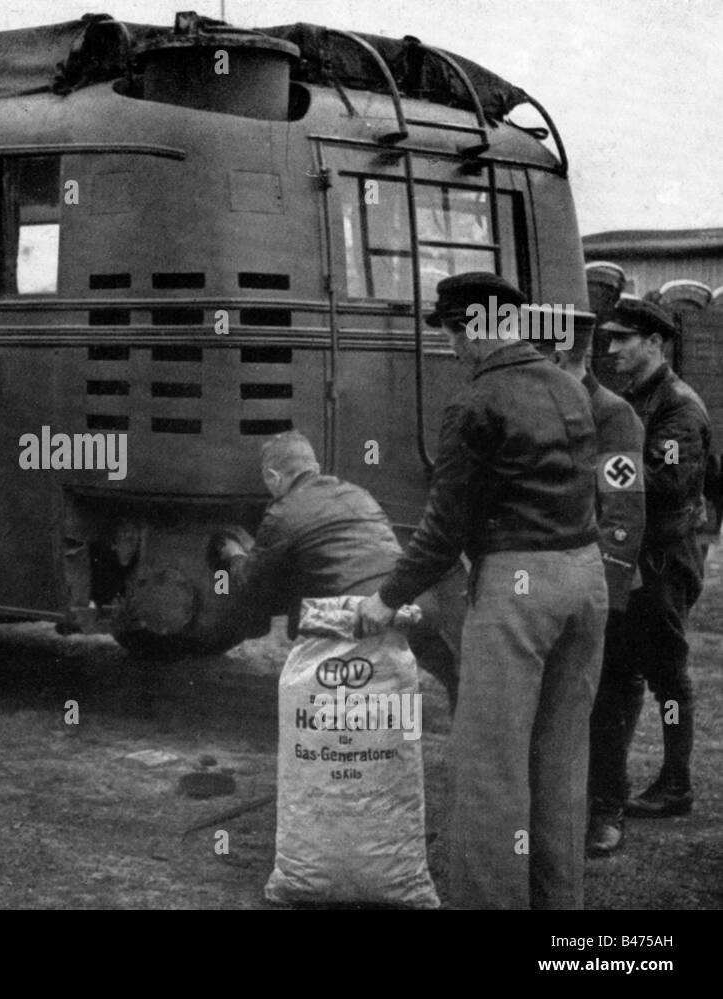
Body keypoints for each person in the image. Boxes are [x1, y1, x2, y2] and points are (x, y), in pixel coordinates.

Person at [359, 272, 606, 910]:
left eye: (449, 333)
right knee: (559, 764)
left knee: (490, 771)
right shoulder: (568, 386)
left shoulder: (474, 403)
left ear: (471, 330)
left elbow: (444, 530)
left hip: (520, 589)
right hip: (585, 578)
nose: (450, 349)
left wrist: (386, 598)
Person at [208, 430, 461, 708]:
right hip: (411, 603)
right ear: (315, 468)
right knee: (444, 674)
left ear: (273, 477)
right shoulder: (357, 493)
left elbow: (252, 586)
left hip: (357, 617)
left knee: (340, 713)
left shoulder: (282, 512)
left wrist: (234, 554)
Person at [535, 315, 646, 857]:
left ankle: (607, 808)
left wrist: (609, 593)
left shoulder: (611, 413)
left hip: (606, 584)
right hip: (555, 581)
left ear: (558, 357)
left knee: (604, 703)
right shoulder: (544, 407)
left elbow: (622, 510)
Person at [603, 297, 711, 819]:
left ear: (654, 343)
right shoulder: (640, 397)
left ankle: (675, 785)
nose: (611, 347)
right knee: (621, 668)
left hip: (665, 558)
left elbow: (668, 482)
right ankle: (612, 780)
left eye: (623, 338)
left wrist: (599, 467)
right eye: (609, 337)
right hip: (640, 555)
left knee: (668, 676)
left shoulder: (677, 406)